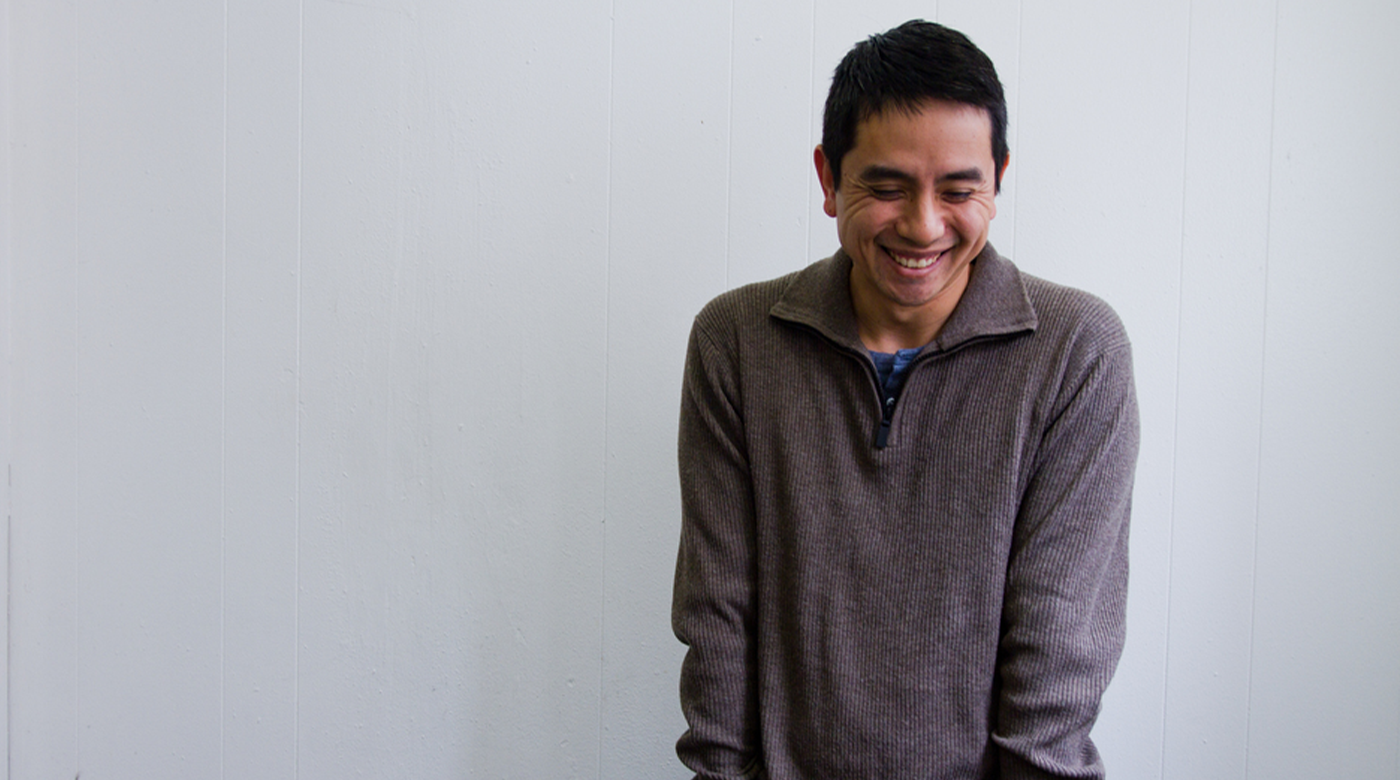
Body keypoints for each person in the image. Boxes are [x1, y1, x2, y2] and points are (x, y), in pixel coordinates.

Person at [672, 19, 1139, 780]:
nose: (924, 226)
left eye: (959, 190)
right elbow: (719, 615)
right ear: (829, 178)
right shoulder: (737, 342)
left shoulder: (1077, 351)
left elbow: (1059, 643)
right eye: (885, 188)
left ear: (999, 178)